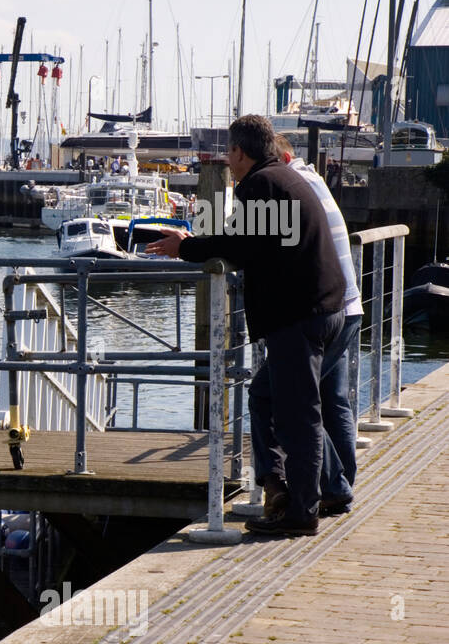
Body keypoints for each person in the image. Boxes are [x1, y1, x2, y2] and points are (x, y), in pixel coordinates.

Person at [147, 115, 345, 537]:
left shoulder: (259, 185)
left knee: (299, 416)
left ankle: (301, 514)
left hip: (300, 316)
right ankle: (276, 487)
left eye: (229, 154)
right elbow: (252, 243)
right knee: (264, 396)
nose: (228, 163)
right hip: (326, 308)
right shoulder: (288, 179)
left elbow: (237, 245)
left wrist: (186, 247)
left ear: (239, 152)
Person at [270, 134, 364, 515]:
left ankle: (336, 485)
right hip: (349, 305)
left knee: (295, 401)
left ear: (285, 159)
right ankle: (341, 483)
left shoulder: (290, 189)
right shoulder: (315, 181)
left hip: (325, 310)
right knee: (333, 400)